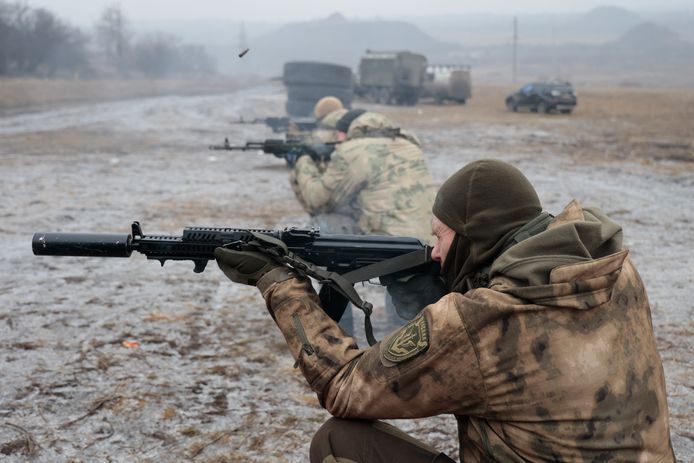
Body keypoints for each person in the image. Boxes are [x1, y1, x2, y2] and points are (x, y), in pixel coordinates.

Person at [215, 159, 675, 462]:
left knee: (338, 441)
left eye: (442, 237)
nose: (435, 253)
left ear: (477, 239)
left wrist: (278, 283)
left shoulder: (484, 320)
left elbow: (345, 387)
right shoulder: (611, 272)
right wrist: (438, 298)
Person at [290, 108, 438, 335]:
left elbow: (318, 200)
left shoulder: (353, 151)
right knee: (411, 315)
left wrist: (302, 161)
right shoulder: (407, 143)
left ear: (345, 133)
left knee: (328, 227)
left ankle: (339, 325)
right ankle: (404, 323)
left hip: (395, 247)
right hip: (429, 238)